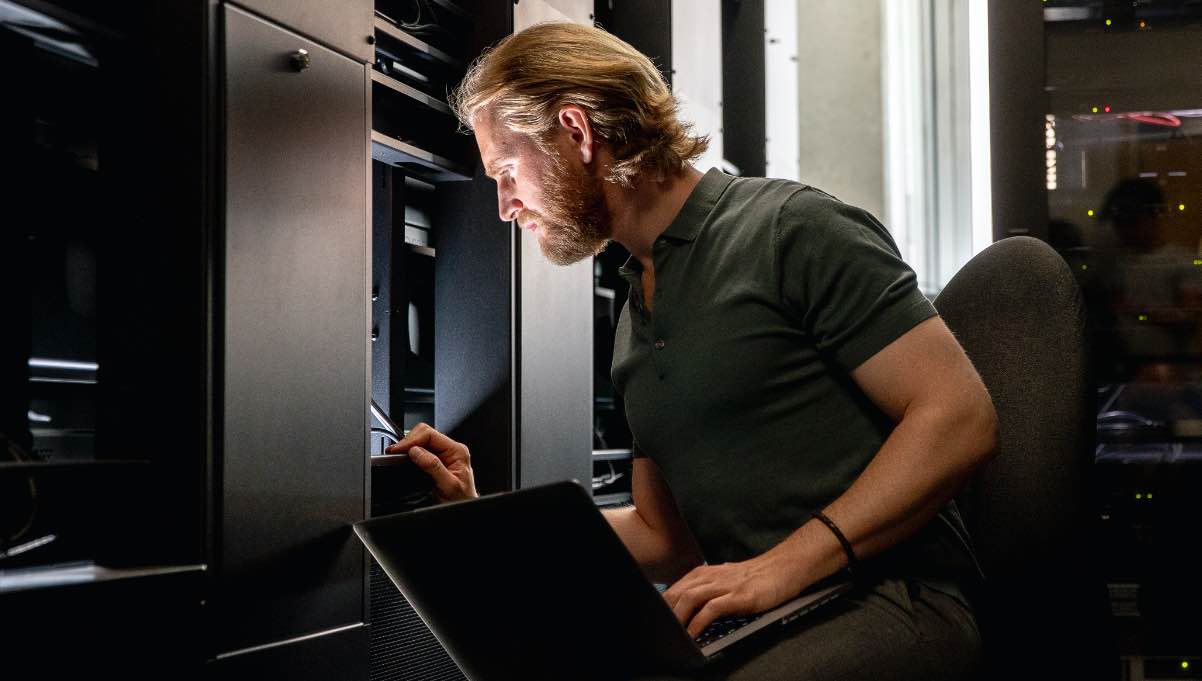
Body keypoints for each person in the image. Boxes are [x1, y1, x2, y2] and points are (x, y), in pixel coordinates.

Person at [386, 21, 998, 681]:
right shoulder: (635, 318)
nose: (505, 204)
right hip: (772, 616)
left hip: (896, 600)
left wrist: (779, 568)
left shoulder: (792, 230)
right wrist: (484, 521)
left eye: (507, 170)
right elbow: (663, 536)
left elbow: (961, 415)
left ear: (576, 130)